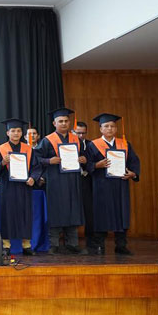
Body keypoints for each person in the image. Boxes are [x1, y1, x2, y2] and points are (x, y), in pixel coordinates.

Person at [84, 113, 141, 255]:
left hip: (120, 184)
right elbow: (87, 164)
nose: (110, 129)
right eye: (106, 126)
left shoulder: (125, 144)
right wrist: (97, 165)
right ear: (101, 129)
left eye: (112, 126)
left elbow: (134, 162)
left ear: (116, 129)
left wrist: (133, 174)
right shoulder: (93, 145)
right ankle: (99, 245)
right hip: (101, 185)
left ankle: (121, 245)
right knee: (101, 214)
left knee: (121, 213)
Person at [34, 107, 86, 255]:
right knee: (56, 210)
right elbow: (35, 158)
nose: (63, 123)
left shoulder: (76, 139)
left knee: (73, 209)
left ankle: (73, 244)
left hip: (72, 179)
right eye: (60, 121)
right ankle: (54, 244)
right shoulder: (47, 140)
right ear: (54, 123)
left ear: (69, 122)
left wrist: (83, 159)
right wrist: (49, 160)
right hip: (55, 180)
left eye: (65, 121)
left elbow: (83, 156)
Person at [0, 118, 42, 256]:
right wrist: (2, 162)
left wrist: (33, 178)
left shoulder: (29, 149)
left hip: (25, 187)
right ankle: (6, 245)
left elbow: (36, 167)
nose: (16, 133)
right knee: (8, 214)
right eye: (13, 131)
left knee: (25, 215)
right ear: (7, 133)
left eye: (18, 131)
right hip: (8, 187)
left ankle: (26, 245)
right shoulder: (0, 150)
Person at [74, 121, 95, 249]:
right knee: (72, 209)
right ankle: (71, 241)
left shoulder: (91, 145)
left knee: (89, 211)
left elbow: (95, 161)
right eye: (78, 133)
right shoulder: (67, 144)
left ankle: (91, 239)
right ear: (73, 132)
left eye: (83, 133)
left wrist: (87, 163)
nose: (81, 135)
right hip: (71, 181)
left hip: (87, 180)